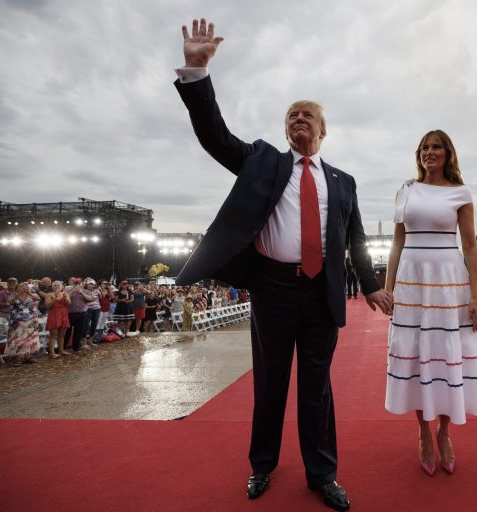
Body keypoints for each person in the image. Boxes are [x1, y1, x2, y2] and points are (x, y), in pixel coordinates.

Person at [174, 18, 392, 511]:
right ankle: (262, 466)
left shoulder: (344, 181)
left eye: (307, 115)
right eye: (292, 114)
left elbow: (355, 238)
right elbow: (214, 136)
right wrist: (196, 71)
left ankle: (323, 474)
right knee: (270, 383)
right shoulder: (263, 161)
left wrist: (373, 283)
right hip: (272, 288)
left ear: (323, 130)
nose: (298, 119)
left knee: (316, 388)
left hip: (322, 292)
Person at [384, 129, 477, 477]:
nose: (430, 153)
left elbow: (471, 245)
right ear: (419, 154)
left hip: (448, 281)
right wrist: (388, 289)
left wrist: (474, 298)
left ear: (448, 155)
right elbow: (396, 244)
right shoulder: (406, 190)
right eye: (425, 148)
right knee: (416, 353)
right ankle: (422, 432)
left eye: (436, 148)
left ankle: (444, 432)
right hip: (412, 282)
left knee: (446, 355)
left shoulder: (461, 192)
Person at [3, 283, 41, 366]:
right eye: (22, 287)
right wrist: (18, 294)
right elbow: (10, 302)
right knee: (18, 340)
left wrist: (29, 293)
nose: (24, 288)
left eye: (26, 287)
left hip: (31, 321)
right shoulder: (13, 295)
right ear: (18, 288)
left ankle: (28, 356)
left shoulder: (32, 295)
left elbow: (38, 299)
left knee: (30, 339)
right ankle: (18, 358)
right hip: (17, 321)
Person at [42, 280, 71, 358]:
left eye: (58, 285)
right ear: (52, 287)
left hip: (63, 315)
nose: (57, 286)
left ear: (61, 287)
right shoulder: (48, 295)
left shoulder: (65, 293)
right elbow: (47, 306)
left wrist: (65, 297)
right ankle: (52, 353)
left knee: (62, 335)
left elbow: (69, 304)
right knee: (53, 335)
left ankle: (61, 350)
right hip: (54, 315)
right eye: (55, 285)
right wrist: (54, 297)